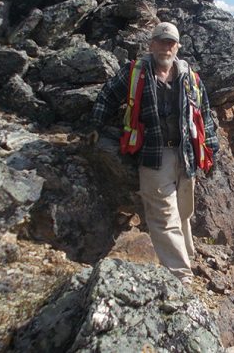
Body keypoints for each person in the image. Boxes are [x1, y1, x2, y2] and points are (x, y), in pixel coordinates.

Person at [86, 22, 219, 283]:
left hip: (185, 155)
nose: (165, 47)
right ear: (151, 44)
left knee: (183, 211)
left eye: (170, 42)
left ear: (177, 47)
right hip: (153, 156)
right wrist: (95, 125)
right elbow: (107, 96)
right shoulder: (135, 72)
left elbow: (204, 115)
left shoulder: (189, 77)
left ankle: (186, 254)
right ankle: (180, 276)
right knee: (163, 217)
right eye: (160, 41)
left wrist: (210, 148)